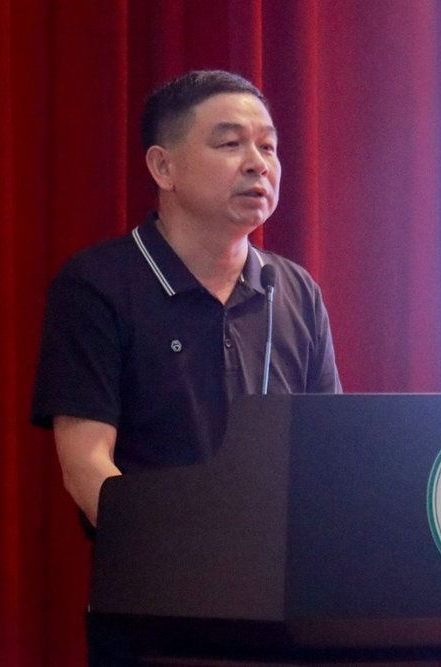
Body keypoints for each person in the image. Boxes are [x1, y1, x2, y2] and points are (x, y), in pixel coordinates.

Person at [31, 70, 342, 530]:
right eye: (230, 144)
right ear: (163, 168)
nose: (258, 164)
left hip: (280, 569)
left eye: (268, 147)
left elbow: (329, 449)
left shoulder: (294, 290)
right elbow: (86, 467)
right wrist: (180, 553)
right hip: (155, 568)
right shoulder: (99, 285)